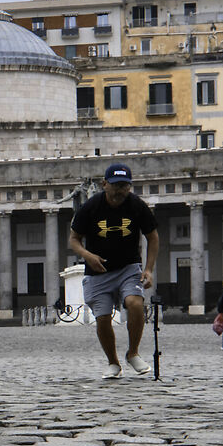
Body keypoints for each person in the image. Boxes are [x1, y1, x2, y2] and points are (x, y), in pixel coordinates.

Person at [65, 162, 158, 380]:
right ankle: (113, 363)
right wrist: (88, 256)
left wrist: (149, 269)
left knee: (135, 304)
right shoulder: (90, 207)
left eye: (124, 185)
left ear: (130, 186)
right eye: (115, 185)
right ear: (104, 184)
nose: (120, 190)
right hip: (98, 271)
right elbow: (74, 239)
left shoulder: (137, 205)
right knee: (103, 318)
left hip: (128, 267)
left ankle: (133, 352)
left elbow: (152, 236)